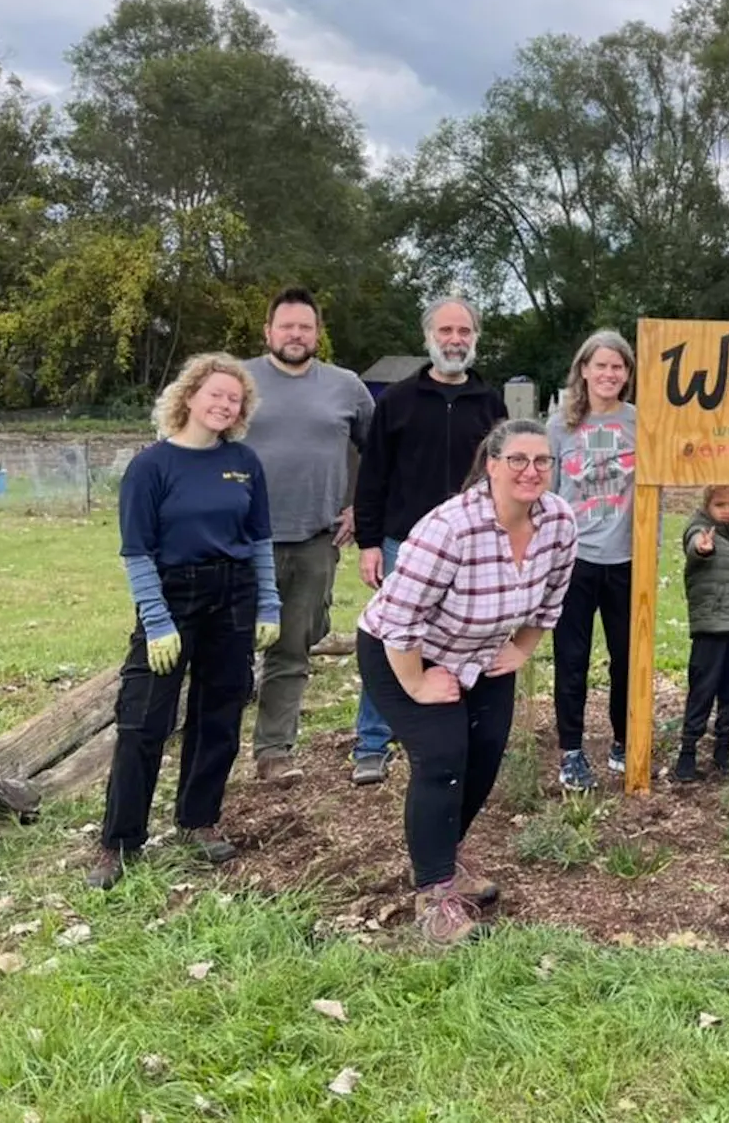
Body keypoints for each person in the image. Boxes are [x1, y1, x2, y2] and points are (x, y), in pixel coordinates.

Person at [357, 418, 577, 945]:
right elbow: (402, 617)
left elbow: (551, 599)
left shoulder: (559, 521)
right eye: (518, 460)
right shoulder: (451, 526)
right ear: (493, 465)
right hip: (404, 653)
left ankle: (445, 859)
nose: (531, 471)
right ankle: (434, 897)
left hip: (482, 656)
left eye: (542, 461)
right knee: (442, 758)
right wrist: (416, 684)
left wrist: (520, 648)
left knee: (482, 758)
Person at [88, 354, 282, 890]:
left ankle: (198, 819)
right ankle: (119, 842)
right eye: (215, 394)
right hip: (173, 595)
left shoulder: (245, 462)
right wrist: (156, 621)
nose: (224, 404)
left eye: (235, 399)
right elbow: (136, 551)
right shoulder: (151, 466)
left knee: (218, 715)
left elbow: (260, 539)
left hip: (233, 595)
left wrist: (268, 604)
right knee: (145, 720)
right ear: (189, 397)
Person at [349, 296, 506, 785]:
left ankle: (447, 728)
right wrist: (370, 543)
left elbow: (503, 479)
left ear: (475, 339)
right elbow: (372, 476)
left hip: (474, 546)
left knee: (463, 638)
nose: (454, 340)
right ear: (428, 338)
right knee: (394, 637)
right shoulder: (397, 400)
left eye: (464, 332)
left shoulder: (490, 403)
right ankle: (372, 742)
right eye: (446, 331)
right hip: (406, 545)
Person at [243, 287, 374, 784]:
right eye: (286, 326)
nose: (295, 335)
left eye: (305, 327)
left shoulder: (346, 387)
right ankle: (205, 744)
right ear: (268, 332)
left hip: (316, 539)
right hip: (242, 541)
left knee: (294, 646)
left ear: (318, 334)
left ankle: (273, 753)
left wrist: (360, 506)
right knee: (230, 647)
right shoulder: (239, 380)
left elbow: (374, 451)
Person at [548, 329, 638, 791]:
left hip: (626, 561)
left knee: (628, 658)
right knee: (572, 658)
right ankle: (572, 751)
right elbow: (544, 495)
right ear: (583, 369)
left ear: (627, 374)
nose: (608, 374)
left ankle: (626, 740)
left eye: (617, 367)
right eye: (600, 365)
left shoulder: (640, 423)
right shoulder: (560, 426)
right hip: (574, 560)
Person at [674, 485, 729, 784]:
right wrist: (702, 547)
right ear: (707, 506)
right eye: (720, 504)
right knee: (702, 690)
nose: (728, 509)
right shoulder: (701, 530)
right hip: (711, 629)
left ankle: (723, 749)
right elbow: (695, 545)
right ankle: (687, 753)